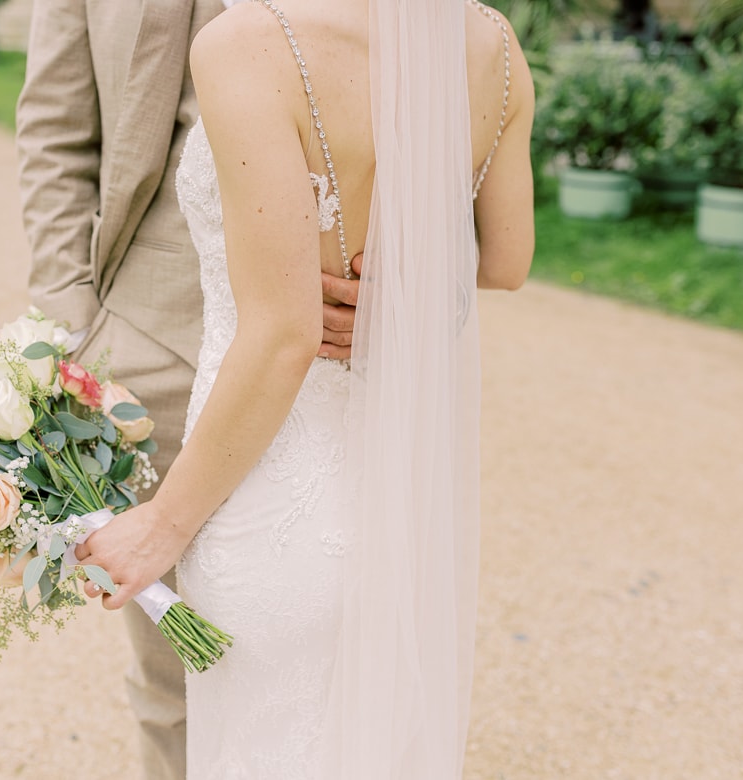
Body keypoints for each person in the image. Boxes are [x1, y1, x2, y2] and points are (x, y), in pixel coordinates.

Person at [73, 0, 535, 776]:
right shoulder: (488, 39)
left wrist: (162, 525)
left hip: (272, 505)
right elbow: (505, 261)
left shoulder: (248, 44)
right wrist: (400, 302)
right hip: (401, 500)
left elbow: (283, 336)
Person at [14, 2, 361, 778]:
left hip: (338, 353)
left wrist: (399, 289)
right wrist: (74, 324)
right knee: (176, 671)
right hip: (151, 340)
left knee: (340, 655)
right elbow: (54, 127)